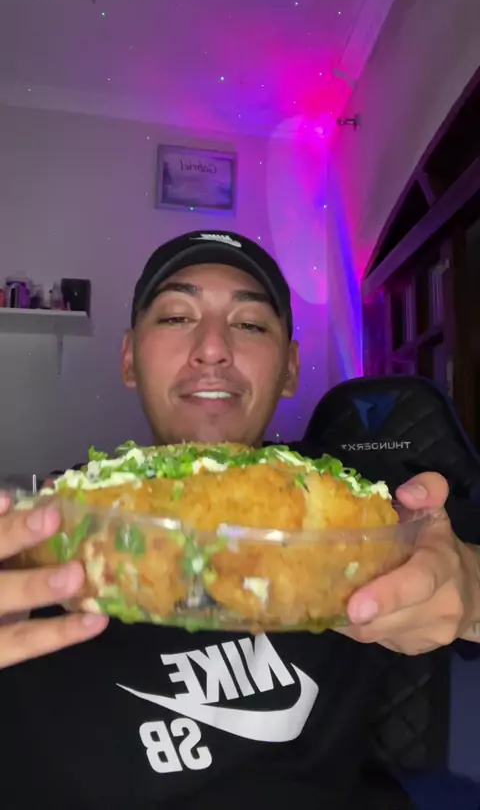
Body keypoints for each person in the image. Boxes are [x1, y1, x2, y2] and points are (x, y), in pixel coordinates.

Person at [0, 230, 479, 810]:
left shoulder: (369, 508)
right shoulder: (47, 526)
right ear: (129, 358)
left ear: (290, 368)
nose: (211, 348)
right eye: (176, 317)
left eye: (250, 324)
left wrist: (470, 592)